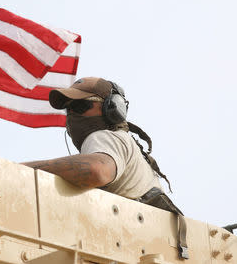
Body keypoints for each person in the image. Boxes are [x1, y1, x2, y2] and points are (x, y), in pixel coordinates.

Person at [22, 77, 189, 259]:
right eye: (68, 109)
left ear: (112, 109)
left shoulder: (103, 137)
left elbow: (98, 170)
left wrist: (22, 170)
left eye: (79, 107)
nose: (71, 115)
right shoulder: (125, 142)